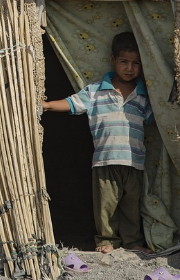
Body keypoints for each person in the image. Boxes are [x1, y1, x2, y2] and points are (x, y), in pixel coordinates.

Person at [42, 31, 153, 253]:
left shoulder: (144, 95)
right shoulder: (95, 91)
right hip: (104, 160)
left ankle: (132, 242)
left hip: (134, 161)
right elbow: (72, 104)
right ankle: (106, 241)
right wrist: (45, 105)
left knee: (131, 205)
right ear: (113, 60)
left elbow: (158, 118)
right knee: (106, 205)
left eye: (136, 63)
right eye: (124, 62)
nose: (129, 68)